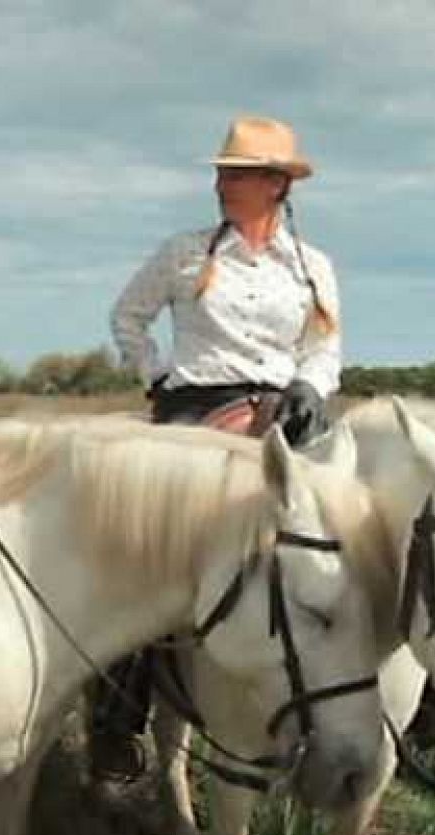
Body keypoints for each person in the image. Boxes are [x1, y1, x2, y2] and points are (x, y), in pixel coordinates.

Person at [93, 114, 342, 784]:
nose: (223, 183)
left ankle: (409, 705)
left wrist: (310, 386)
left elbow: (325, 348)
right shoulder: (183, 252)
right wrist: (156, 375)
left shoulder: (313, 267)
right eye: (223, 172)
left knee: (355, 530)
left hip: (287, 413)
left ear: (278, 184)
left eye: (239, 174)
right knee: (147, 555)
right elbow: (127, 316)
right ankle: (117, 720)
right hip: (198, 409)